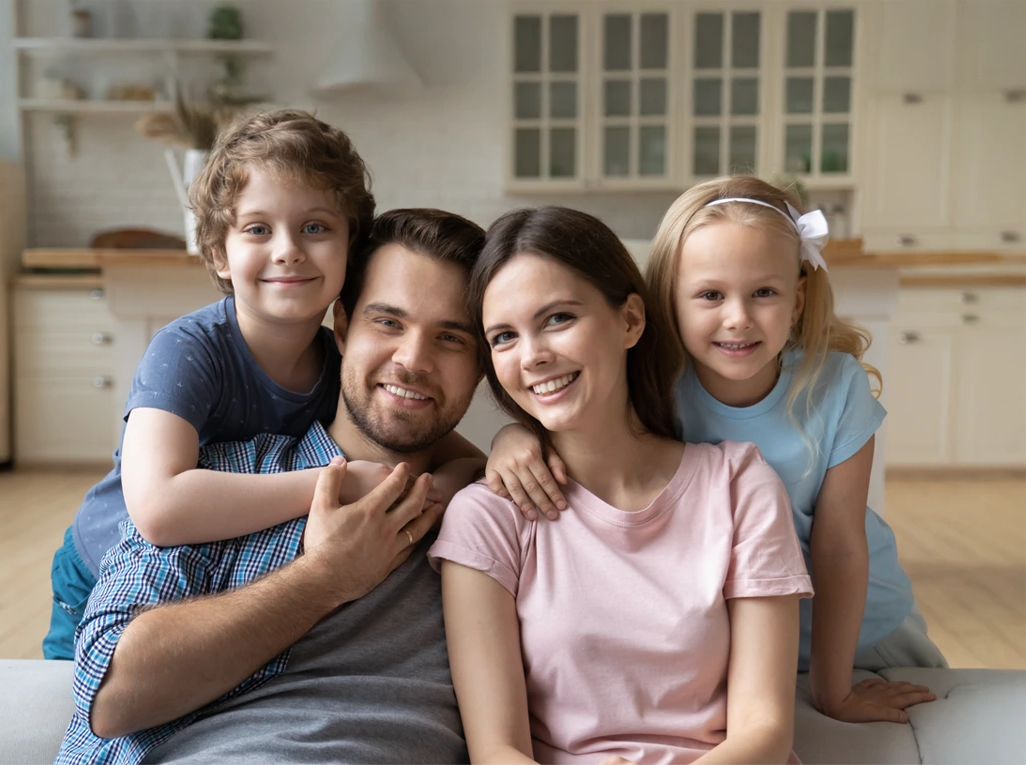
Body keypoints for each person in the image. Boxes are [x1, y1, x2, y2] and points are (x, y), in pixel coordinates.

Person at [488, 178, 947, 725]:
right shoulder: (653, 386)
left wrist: (835, 690)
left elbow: (841, 547)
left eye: (764, 293)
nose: (738, 318)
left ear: (797, 299)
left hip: (860, 633)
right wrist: (515, 436)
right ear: (668, 301)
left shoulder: (835, 386)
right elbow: (578, 428)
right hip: (726, 642)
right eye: (710, 295)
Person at [43, 111, 480, 660]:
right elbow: (159, 507)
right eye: (257, 229)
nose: (288, 250)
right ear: (218, 254)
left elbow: (448, 451)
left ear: (351, 247)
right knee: (75, 707)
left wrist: (502, 452)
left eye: (316, 228)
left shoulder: (339, 360)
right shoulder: (189, 349)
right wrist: (330, 483)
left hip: (204, 577)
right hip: (102, 570)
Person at [54, 208, 486, 765]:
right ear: (345, 325)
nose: (412, 361)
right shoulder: (223, 483)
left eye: (451, 338)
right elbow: (109, 697)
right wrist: (325, 578)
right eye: (388, 323)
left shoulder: (503, 515)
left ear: (483, 366)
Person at [429, 206, 813, 765]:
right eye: (504, 336)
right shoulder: (488, 517)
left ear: (630, 321)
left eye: (558, 318)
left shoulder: (739, 486)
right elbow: (498, 751)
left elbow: (766, 730)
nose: (533, 355)